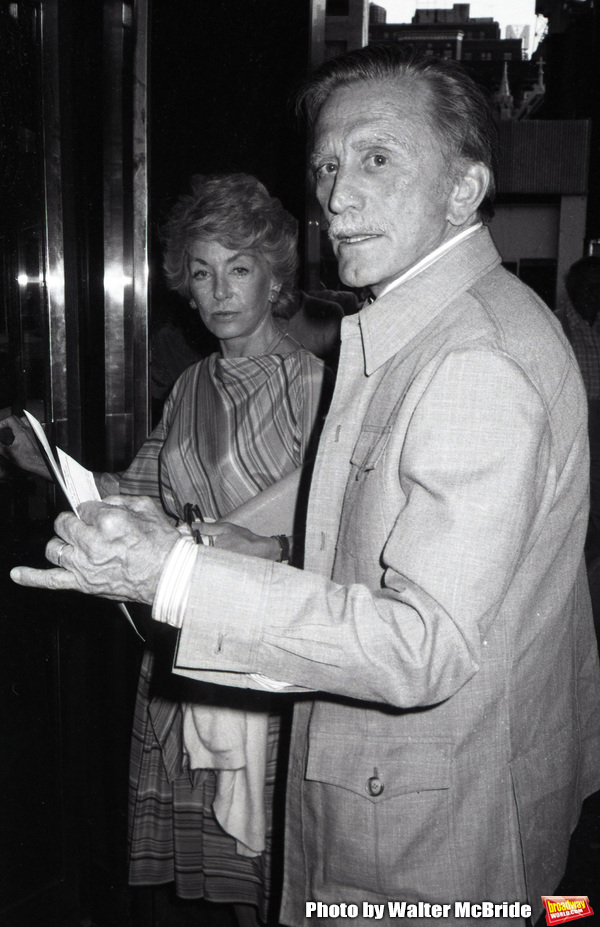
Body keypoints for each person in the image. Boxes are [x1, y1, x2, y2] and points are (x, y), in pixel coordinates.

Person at [11, 48, 600, 927]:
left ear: (465, 188)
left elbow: (424, 643)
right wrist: (262, 547)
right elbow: (385, 550)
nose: (337, 193)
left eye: (376, 157)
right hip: (416, 796)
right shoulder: (415, 337)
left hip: (431, 829)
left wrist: (176, 575)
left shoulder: (472, 358)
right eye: (327, 164)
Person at [5, 173, 329, 925]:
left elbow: (329, 531)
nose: (218, 290)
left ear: (275, 276)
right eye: (203, 270)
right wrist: (46, 458)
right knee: (213, 881)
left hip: (257, 651)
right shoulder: (190, 385)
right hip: (182, 638)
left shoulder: (315, 387)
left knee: (267, 871)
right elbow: (139, 492)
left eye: (239, 268)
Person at [559, 255, 600, 645]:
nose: (591, 294)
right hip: (577, 434)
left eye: (597, 286)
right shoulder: (557, 326)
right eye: (585, 286)